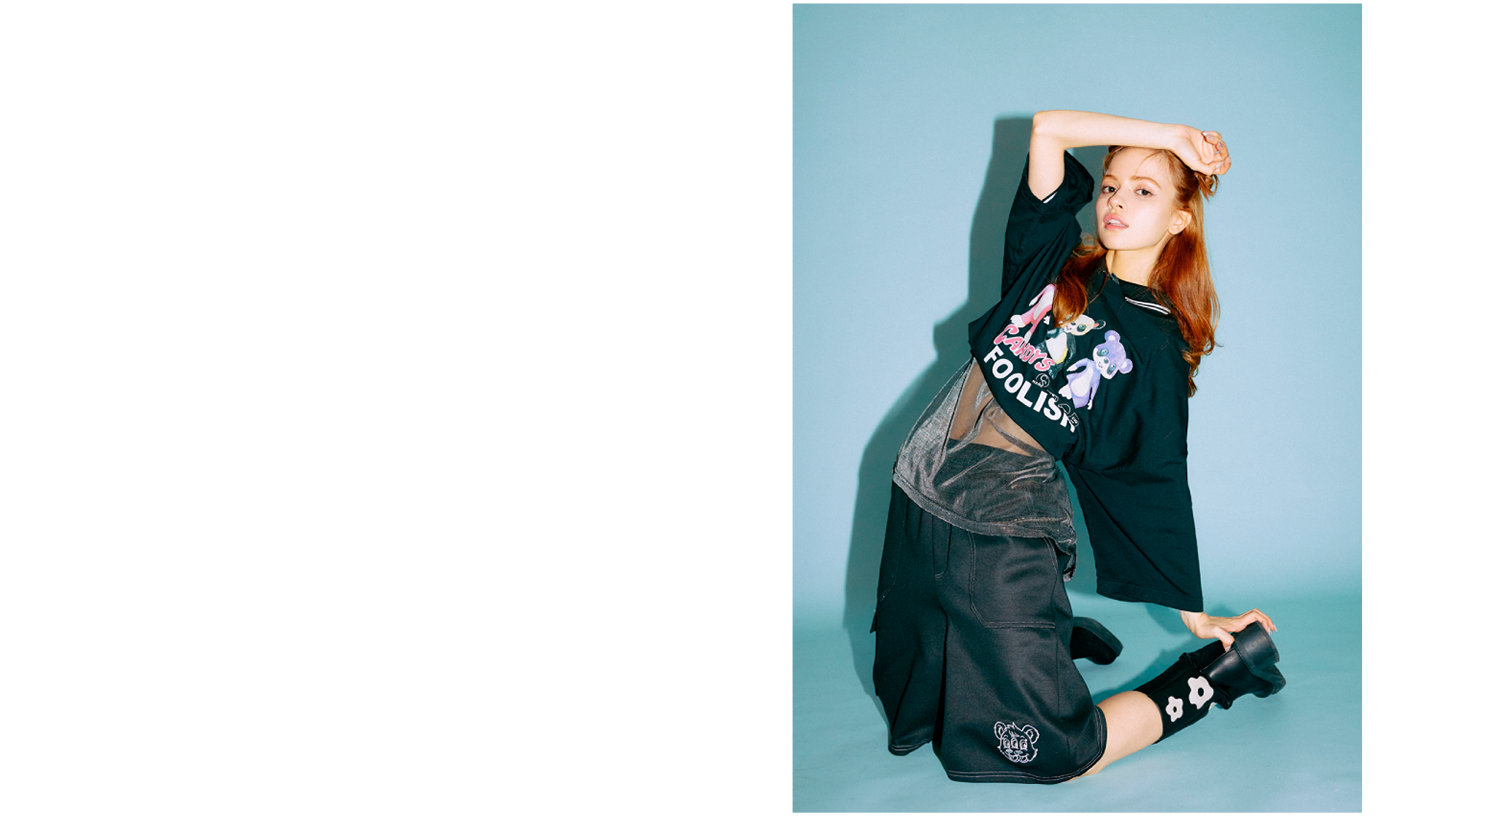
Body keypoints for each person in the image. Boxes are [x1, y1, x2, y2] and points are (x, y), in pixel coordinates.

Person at [871, 110, 1285, 783]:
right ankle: (1052, 633)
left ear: (1180, 219)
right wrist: (1171, 138)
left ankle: (1218, 676)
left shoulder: (1152, 344)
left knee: (1060, 752)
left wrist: (1193, 613)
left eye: (1144, 192)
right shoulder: (1053, 260)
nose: (1117, 200)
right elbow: (1047, 130)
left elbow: (1153, 474)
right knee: (914, 708)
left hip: (1000, 530)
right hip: (918, 488)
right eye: (1112, 185)